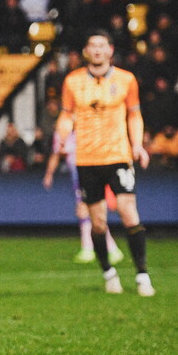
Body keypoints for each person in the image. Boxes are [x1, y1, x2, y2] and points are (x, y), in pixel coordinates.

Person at [57, 30, 154, 296]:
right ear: (86, 51)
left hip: (118, 156)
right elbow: (66, 115)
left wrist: (137, 146)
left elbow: (134, 115)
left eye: (102, 46)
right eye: (92, 46)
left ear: (110, 50)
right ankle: (109, 273)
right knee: (98, 223)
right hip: (87, 159)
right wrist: (62, 137)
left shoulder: (126, 80)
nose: (97, 50)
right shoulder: (72, 81)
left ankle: (142, 274)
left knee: (128, 211)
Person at [43, 130, 125, 265]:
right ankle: (107, 248)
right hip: (78, 178)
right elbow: (57, 154)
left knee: (86, 210)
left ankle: (94, 248)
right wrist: (49, 174)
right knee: (88, 212)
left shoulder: (88, 128)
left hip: (91, 175)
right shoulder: (62, 132)